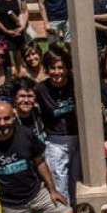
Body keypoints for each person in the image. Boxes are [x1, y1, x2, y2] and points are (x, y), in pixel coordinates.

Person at [0, 100, 72, 213]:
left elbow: (40, 162)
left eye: (6, 118)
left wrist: (53, 190)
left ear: (13, 116)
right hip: (10, 204)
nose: (2, 123)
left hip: (36, 193)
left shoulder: (26, 134)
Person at [36, 47, 80, 204]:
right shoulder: (41, 89)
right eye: (52, 68)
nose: (57, 72)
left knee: (77, 182)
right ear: (47, 69)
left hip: (78, 138)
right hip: (56, 142)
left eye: (60, 67)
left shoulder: (76, 83)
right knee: (60, 184)